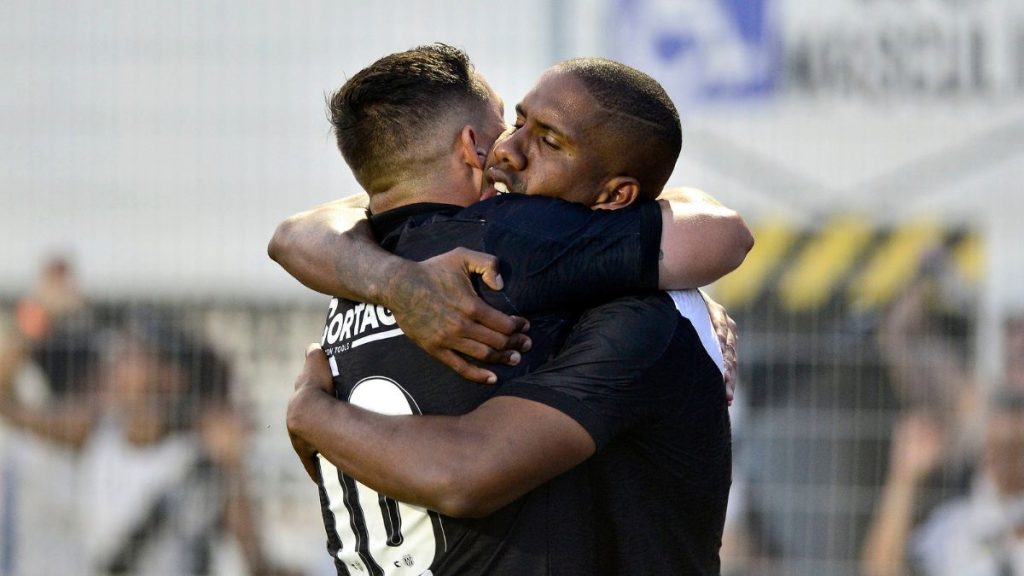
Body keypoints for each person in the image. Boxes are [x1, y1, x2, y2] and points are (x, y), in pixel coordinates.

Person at [273, 45, 748, 575]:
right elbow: (725, 232)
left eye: (549, 140)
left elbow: (292, 233)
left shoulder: (353, 272)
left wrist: (317, 407)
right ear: (470, 148)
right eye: (514, 122)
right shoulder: (521, 248)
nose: (508, 151)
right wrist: (311, 414)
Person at [0, 274, 295, 576]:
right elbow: (6, 402)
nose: (115, 362)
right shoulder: (95, 432)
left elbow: (256, 561)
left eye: (132, 354)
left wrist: (233, 464)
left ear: (168, 376)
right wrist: (36, 315)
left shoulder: (201, 454)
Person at [860, 390, 1024, 576]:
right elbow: (881, 571)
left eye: (1017, 447)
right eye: (998, 446)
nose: (1007, 459)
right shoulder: (956, 525)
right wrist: (904, 477)